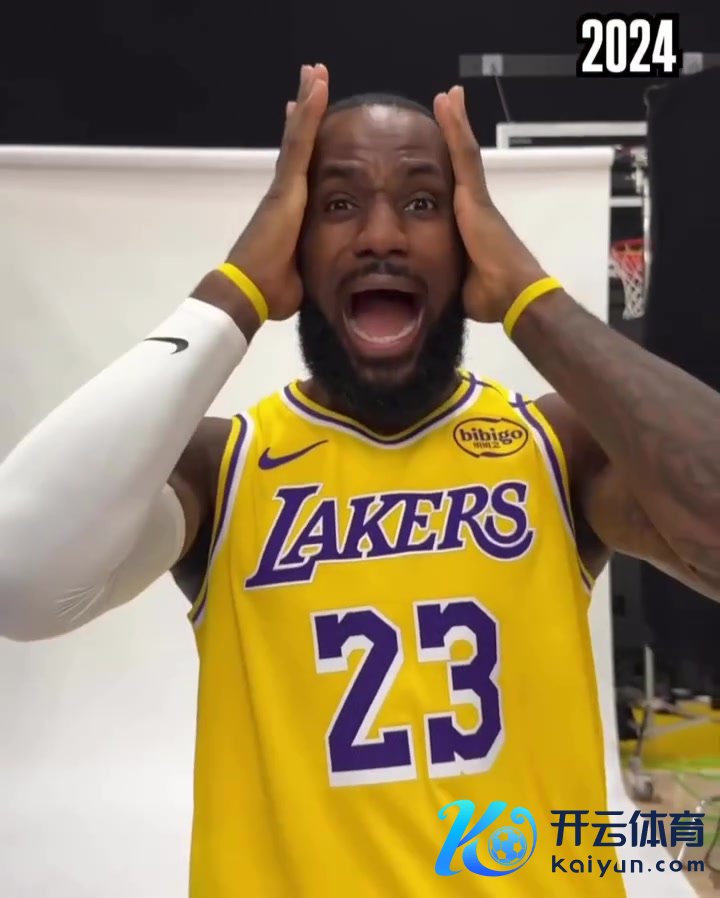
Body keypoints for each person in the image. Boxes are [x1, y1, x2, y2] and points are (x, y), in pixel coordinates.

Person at [1, 63, 719, 897]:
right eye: (338, 204)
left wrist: (531, 296)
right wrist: (234, 289)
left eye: (423, 203)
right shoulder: (220, 468)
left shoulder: (555, 447)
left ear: (469, 240)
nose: (382, 235)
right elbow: (20, 579)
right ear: (295, 246)